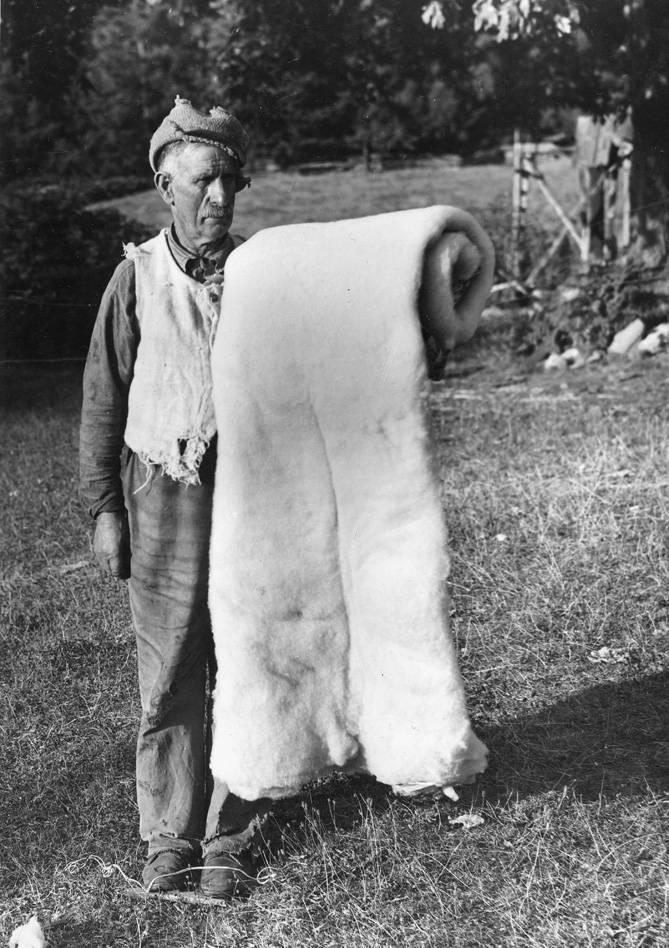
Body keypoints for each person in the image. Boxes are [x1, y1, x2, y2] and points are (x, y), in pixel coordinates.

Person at [79, 96, 270, 899]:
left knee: (248, 662)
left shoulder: (264, 275)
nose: (218, 198)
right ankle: (169, 834)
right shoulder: (137, 278)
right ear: (166, 186)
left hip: (255, 498)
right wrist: (104, 509)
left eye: (230, 181)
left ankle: (231, 829)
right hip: (165, 493)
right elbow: (102, 399)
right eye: (202, 182)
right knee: (170, 668)